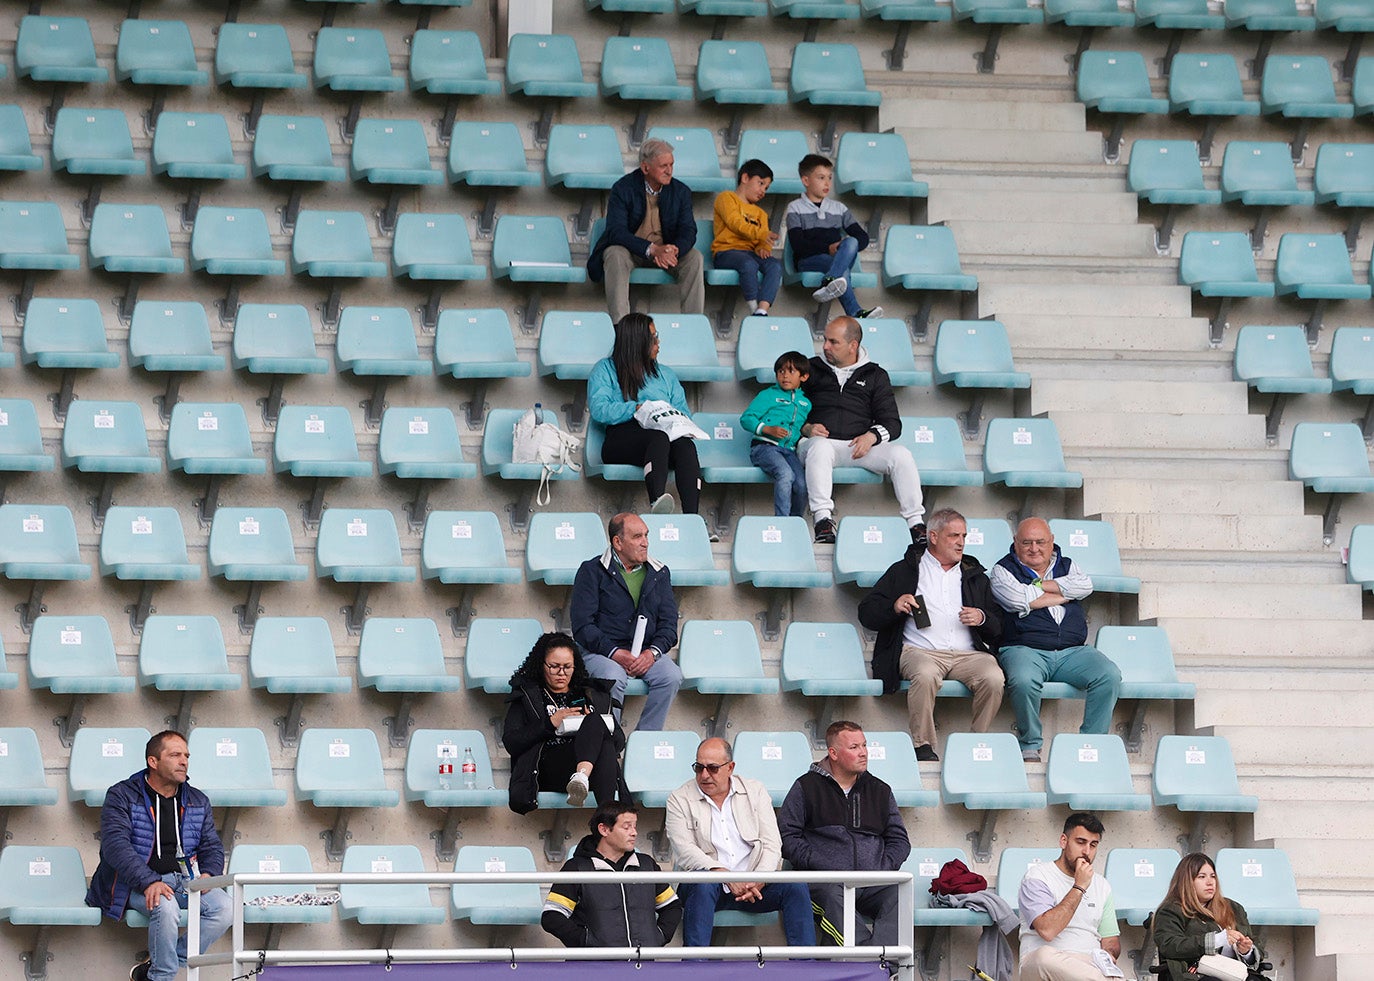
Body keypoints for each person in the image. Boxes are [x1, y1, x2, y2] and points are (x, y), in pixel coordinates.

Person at [857, 507, 1004, 762]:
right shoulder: (904, 571)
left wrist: (981, 617)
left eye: (964, 536)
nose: (961, 543)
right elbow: (867, 612)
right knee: (924, 674)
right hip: (919, 650)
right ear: (933, 537)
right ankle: (923, 745)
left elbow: (998, 626)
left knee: (993, 676)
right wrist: (895, 606)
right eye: (954, 536)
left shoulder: (974, 576)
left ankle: (975, 741)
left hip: (966, 655)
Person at [86, 730, 232, 981]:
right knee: (166, 907)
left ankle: (158, 965)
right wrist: (149, 881)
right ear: (153, 762)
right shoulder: (122, 795)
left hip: (184, 880)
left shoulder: (197, 800)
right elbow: (115, 846)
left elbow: (211, 846)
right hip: (133, 882)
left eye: (186, 755)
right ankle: (161, 976)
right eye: (175, 755)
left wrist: (209, 875)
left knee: (225, 908)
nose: (183, 761)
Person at [989, 517, 1122, 763]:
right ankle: (1030, 744)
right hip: (1024, 648)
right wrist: (1063, 594)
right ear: (1015, 544)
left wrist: (1038, 587)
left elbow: (1084, 586)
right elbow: (1019, 601)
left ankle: (1091, 743)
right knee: (1023, 680)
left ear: (1052, 542)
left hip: (1072, 651)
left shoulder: (1068, 564)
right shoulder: (1002, 570)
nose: (1034, 548)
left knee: (1108, 674)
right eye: (1027, 542)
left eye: (1040, 542)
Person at [665, 737, 817, 947]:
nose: (704, 775)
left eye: (712, 768)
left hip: (754, 885)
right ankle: (695, 967)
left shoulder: (755, 790)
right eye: (698, 768)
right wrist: (724, 876)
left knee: (795, 885)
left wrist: (759, 879)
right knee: (703, 883)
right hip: (708, 884)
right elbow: (684, 850)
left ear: (730, 767)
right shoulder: (679, 798)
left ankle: (805, 968)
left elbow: (772, 842)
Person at [778, 720, 910, 946]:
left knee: (899, 895)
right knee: (833, 898)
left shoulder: (880, 790)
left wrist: (883, 867)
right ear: (833, 753)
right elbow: (787, 837)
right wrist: (818, 863)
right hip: (825, 883)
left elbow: (899, 840)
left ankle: (883, 965)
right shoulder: (806, 787)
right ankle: (869, 966)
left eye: (864, 745)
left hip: (872, 882)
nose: (863, 753)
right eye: (854, 747)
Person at [800, 316, 925, 545]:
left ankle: (916, 525)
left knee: (901, 455)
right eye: (825, 340)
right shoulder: (810, 369)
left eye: (833, 342)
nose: (825, 346)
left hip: (858, 447)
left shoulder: (875, 375)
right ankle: (823, 521)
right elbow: (784, 408)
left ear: (853, 345)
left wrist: (872, 436)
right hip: (819, 444)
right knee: (819, 447)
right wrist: (806, 428)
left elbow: (893, 424)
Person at [570, 511, 683, 732]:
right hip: (602, 653)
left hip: (645, 653)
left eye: (646, 536)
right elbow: (583, 626)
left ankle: (645, 740)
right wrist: (615, 653)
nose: (645, 543)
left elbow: (669, 626)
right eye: (637, 537)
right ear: (618, 542)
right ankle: (610, 745)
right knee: (613, 677)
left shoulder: (660, 572)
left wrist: (651, 654)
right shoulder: (591, 571)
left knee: (671, 676)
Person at [588, 312, 703, 515]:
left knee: (685, 445)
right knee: (658, 438)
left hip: (664, 435)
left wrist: (684, 424)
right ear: (637, 341)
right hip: (621, 439)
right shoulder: (605, 369)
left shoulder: (666, 374)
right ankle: (657, 504)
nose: (658, 342)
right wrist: (634, 409)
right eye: (653, 337)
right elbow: (599, 409)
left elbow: (683, 410)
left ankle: (693, 517)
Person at [502, 631, 629, 812]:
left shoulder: (591, 694)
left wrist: (591, 726)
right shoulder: (529, 695)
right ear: (541, 665)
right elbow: (511, 743)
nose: (561, 673)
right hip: (549, 768)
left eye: (567, 667)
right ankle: (608, 817)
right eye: (554, 667)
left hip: (590, 770)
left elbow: (618, 741)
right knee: (600, 737)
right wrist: (549, 723)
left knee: (598, 728)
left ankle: (596, 805)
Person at [587, 137, 704, 325]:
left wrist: (674, 249)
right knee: (614, 253)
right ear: (645, 167)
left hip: (666, 252)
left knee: (694, 258)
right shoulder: (623, 188)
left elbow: (689, 230)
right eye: (663, 166)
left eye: (671, 165)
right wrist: (652, 249)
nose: (669, 170)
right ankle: (621, 328)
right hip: (634, 251)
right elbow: (616, 232)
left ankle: (694, 325)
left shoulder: (681, 191)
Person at [543, 802, 682, 948]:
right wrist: (586, 942)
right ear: (604, 829)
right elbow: (552, 916)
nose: (634, 832)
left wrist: (657, 937)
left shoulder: (647, 865)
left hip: (643, 966)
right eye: (626, 827)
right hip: (595, 968)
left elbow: (671, 906)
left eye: (635, 826)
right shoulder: (577, 868)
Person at [1017, 812, 1122, 981]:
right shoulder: (1037, 877)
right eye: (1081, 842)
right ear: (1063, 841)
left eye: (1093, 845)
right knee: (1043, 957)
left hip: (1088, 964)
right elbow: (1047, 930)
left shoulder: (1102, 885)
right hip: (1045, 964)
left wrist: (1108, 954)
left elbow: (1110, 940)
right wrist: (1079, 886)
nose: (1087, 851)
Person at [785, 153, 882, 320]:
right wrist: (827, 249)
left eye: (829, 177)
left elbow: (863, 238)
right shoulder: (795, 208)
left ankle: (830, 280)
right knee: (840, 267)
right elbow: (798, 245)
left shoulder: (839, 208)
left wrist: (843, 249)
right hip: (809, 260)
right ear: (806, 181)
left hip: (838, 258)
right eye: (821, 177)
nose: (827, 183)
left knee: (851, 241)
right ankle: (855, 312)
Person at [1154, 853, 1265, 981]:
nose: (1210, 882)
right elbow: (1169, 945)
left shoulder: (1233, 908)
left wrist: (1246, 952)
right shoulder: (1171, 910)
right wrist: (1217, 940)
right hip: (1193, 975)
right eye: (1201, 877)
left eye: (1213, 876)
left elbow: (1253, 943)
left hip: (1235, 973)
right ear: (1186, 881)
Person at [740, 350, 812, 517]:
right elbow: (746, 418)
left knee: (802, 484)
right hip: (764, 448)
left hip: (789, 451)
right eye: (781, 372)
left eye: (791, 371)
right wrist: (766, 429)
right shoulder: (768, 395)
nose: (785, 376)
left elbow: (801, 426)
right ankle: (782, 521)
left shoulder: (805, 403)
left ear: (804, 377)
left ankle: (795, 521)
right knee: (786, 474)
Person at [713, 158, 782, 316]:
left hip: (750, 253)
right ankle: (753, 306)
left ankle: (762, 311)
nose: (763, 190)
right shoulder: (726, 198)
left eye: (767, 187)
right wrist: (761, 235)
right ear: (745, 178)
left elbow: (764, 240)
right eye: (760, 183)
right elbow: (734, 223)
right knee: (749, 264)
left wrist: (763, 247)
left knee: (775, 266)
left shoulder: (761, 214)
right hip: (726, 252)